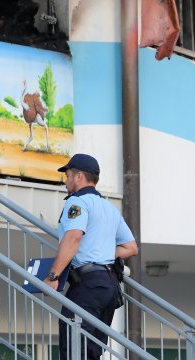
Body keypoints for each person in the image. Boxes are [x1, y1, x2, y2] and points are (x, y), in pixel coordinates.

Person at [44, 153, 138, 359]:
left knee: (73, 342)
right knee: (91, 351)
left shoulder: (77, 202)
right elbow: (131, 247)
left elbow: (73, 238)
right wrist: (104, 252)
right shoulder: (109, 207)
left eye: (68, 175)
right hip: (109, 287)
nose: (66, 180)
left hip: (88, 284)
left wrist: (53, 276)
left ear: (79, 177)